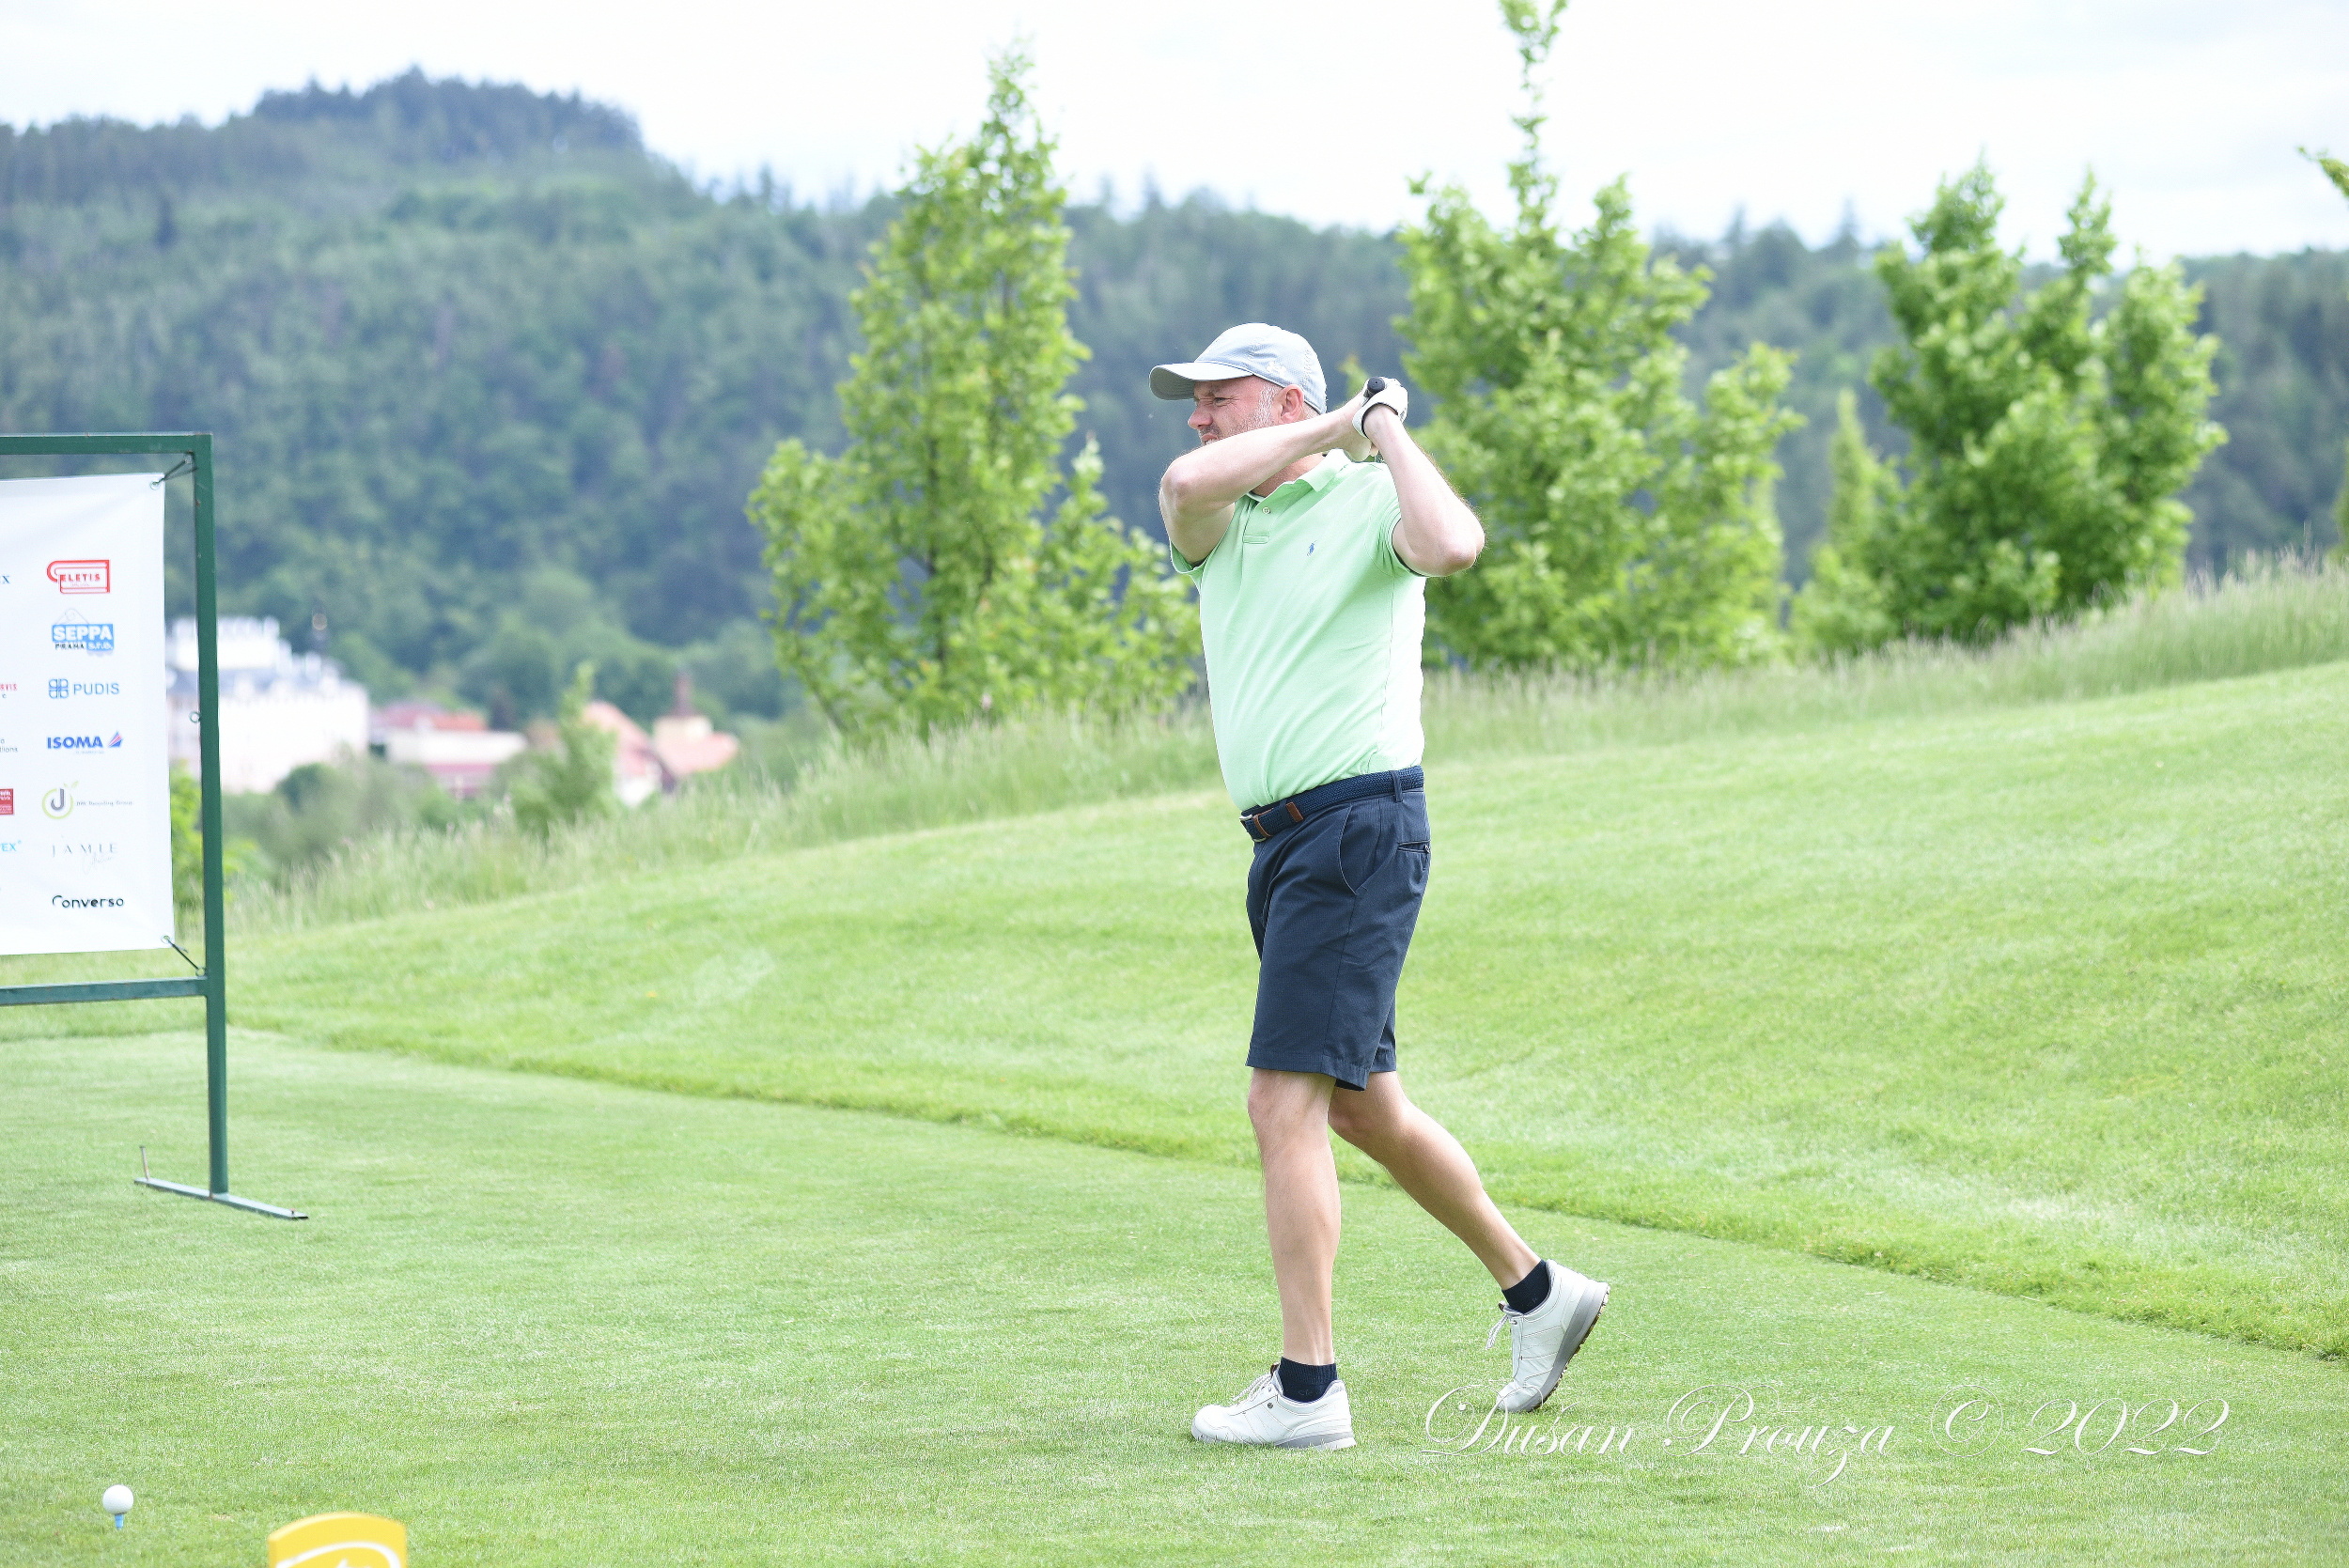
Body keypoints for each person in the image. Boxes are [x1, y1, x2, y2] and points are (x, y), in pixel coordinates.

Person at [1152, 323, 1609, 1452]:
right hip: (1283, 848)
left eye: (1218, 396)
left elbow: (1453, 544)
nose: (1197, 416)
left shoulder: (1368, 502)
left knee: (1281, 1104)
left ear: (1279, 399)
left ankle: (1308, 1390)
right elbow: (1182, 484)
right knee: (1361, 1106)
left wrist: (1382, 430)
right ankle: (1538, 1290)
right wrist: (1340, 419)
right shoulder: (1220, 521)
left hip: (1356, 830)